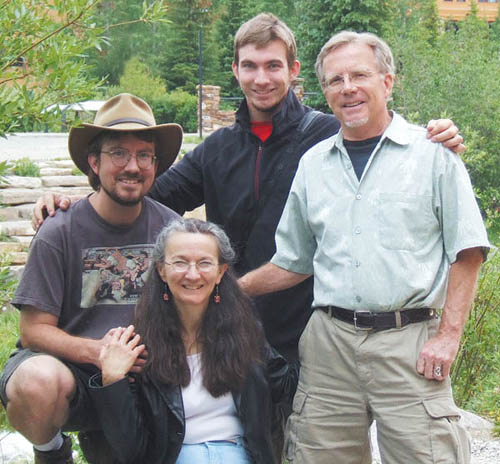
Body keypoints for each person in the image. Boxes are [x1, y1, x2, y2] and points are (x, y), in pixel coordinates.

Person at [34, 13, 464, 365]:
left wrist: (437, 136)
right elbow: (143, 192)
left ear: (293, 70)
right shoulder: (217, 149)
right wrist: (75, 204)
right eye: (250, 66)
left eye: (273, 66)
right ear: (235, 70)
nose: (262, 78)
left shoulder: (328, 137)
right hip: (228, 328)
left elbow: (380, 135)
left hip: (311, 332)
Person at [239, 31, 491, 464]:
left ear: (387, 82)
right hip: (329, 349)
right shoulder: (313, 165)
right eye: (335, 80)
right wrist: (231, 288)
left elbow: (468, 251)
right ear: (324, 91)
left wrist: (449, 337)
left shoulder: (433, 155)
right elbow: (294, 261)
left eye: (359, 75)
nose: (347, 88)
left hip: (409, 344)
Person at [0, 93, 182, 464]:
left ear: (155, 164)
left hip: (147, 380)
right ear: (94, 162)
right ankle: (52, 451)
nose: (132, 166)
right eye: (118, 153)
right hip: (73, 376)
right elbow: (34, 331)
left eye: (144, 155)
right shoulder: (59, 231)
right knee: (35, 381)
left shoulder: (174, 230)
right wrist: (100, 354)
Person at [88, 218, 298, 464]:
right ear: (161, 270)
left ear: (221, 272)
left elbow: (287, 387)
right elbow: (131, 450)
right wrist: (113, 380)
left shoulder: (246, 331)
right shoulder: (137, 345)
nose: (192, 274)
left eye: (204, 263)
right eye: (180, 262)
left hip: (238, 452)